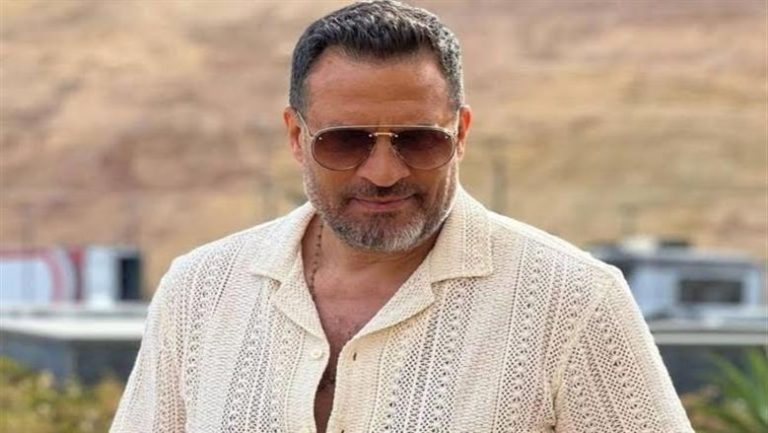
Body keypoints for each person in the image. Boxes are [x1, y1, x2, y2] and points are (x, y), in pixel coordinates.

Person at [110, 1, 695, 432]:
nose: (384, 171)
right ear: (296, 136)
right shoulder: (201, 290)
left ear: (460, 134)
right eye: (346, 141)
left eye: (418, 140)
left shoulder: (572, 301)